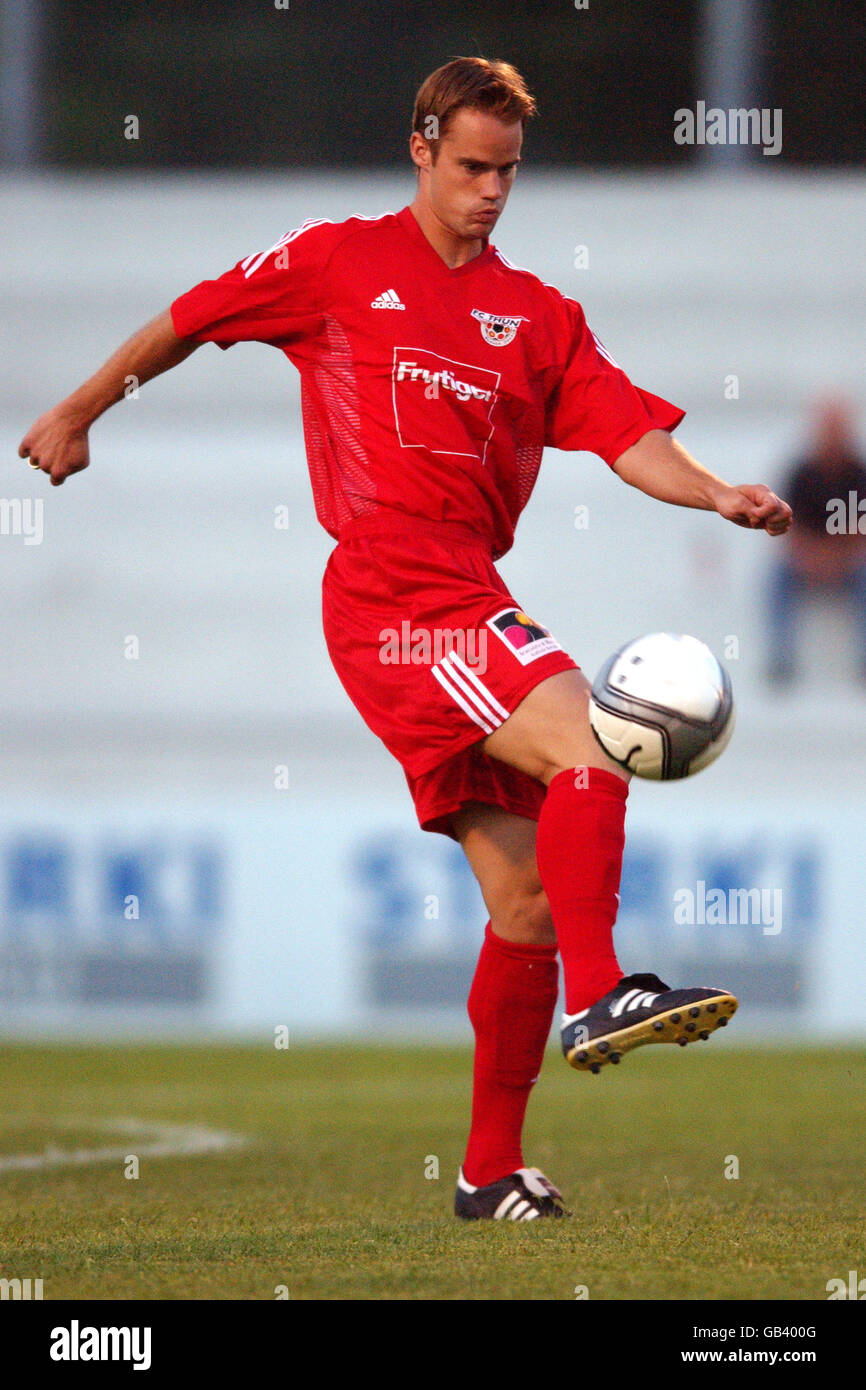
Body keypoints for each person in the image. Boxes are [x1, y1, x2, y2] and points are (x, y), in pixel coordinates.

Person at [19, 57, 792, 1222]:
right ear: (421, 147)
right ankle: (602, 993)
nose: (489, 191)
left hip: (464, 590)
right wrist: (79, 408)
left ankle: (486, 1173)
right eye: (472, 166)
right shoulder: (335, 262)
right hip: (391, 595)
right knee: (592, 732)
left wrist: (718, 491)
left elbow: (629, 435)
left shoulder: (536, 317)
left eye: (508, 174)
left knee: (524, 901)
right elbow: (189, 316)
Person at [766, 397, 866, 684]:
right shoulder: (802, 473)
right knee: (775, 579)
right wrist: (812, 557)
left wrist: (837, 557)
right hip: (808, 561)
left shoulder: (859, 473)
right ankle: (780, 657)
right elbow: (786, 523)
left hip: (847, 561)